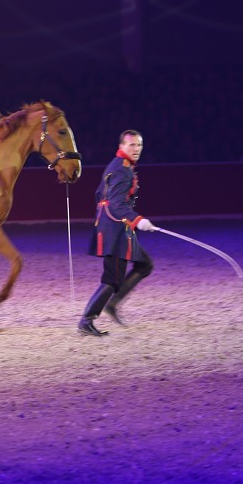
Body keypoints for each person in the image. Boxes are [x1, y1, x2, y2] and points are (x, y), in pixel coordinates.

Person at [78, 130, 157, 337]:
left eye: (139, 145)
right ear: (122, 146)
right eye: (132, 145)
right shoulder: (122, 170)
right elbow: (115, 203)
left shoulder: (119, 166)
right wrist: (138, 221)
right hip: (115, 229)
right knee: (112, 278)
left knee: (144, 264)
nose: (136, 149)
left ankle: (112, 303)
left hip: (116, 226)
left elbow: (98, 194)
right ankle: (87, 320)